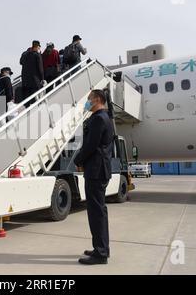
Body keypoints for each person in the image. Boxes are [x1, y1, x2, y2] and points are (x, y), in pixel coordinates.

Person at [74, 90, 114, 265]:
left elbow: (91, 145)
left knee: (96, 212)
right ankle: (101, 248)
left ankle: (101, 253)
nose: (87, 103)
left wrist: (78, 160)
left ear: (97, 99)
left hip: (96, 171)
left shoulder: (98, 118)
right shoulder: (106, 117)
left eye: (89, 100)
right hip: (100, 169)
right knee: (99, 211)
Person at [20, 40, 45, 108]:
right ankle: (37, 108)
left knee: (27, 98)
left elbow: (21, 62)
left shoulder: (24, 54)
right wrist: (42, 78)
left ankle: (27, 110)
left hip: (25, 80)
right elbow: (40, 68)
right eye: (39, 47)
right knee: (35, 96)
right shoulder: (37, 55)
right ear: (37, 47)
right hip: (35, 79)